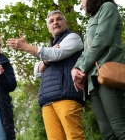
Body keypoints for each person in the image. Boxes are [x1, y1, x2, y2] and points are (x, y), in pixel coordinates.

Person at [6, 10, 85, 139]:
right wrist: (47, 59)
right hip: (47, 101)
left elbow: (56, 54)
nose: (56, 22)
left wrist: (26, 47)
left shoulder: (73, 38)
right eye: (51, 21)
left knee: (74, 137)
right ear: (48, 28)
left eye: (59, 19)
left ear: (65, 23)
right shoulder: (48, 50)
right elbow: (37, 70)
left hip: (67, 96)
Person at [71, 0, 125, 139]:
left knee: (120, 129)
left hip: (107, 74)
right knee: (107, 133)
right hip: (92, 81)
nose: (81, 5)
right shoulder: (91, 20)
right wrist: (75, 69)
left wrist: (81, 68)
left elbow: (101, 40)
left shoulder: (108, 8)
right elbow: (87, 50)